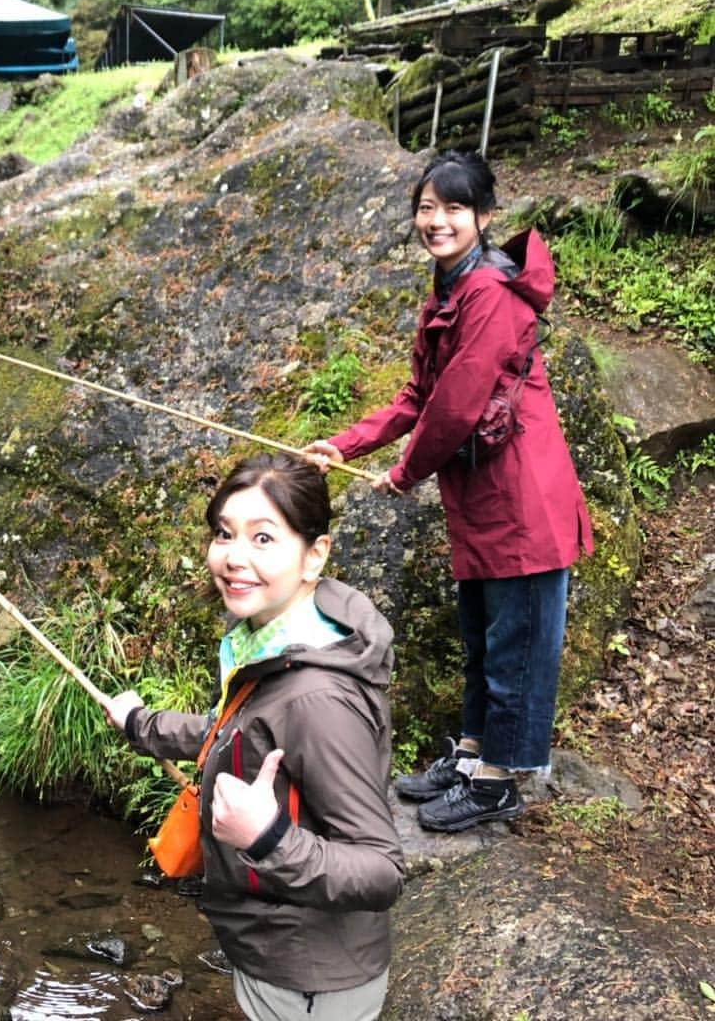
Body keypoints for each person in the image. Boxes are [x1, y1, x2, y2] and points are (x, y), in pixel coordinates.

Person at [303, 150, 593, 833]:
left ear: (484, 216)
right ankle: (470, 757)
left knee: (515, 641)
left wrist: (403, 473)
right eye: (427, 207)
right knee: (482, 637)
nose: (437, 220)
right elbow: (418, 396)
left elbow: (458, 404)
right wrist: (342, 446)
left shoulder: (489, 293)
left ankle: (498, 781)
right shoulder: (447, 289)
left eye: (454, 207)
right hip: (483, 494)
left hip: (523, 498)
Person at [103, 451, 404, 1021]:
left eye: (263, 539)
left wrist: (267, 838)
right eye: (224, 534)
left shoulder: (318, 698)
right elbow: (240, 733)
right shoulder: (274, 642)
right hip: (272, 952)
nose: (235, 558)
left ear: (314, 555)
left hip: (310, 982)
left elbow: (381, 869)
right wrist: (143, 726)